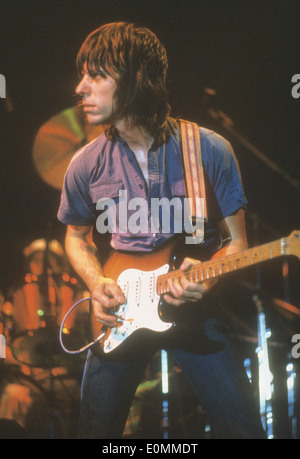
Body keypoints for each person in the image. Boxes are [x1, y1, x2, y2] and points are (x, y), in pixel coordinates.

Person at [57, 22, 265, 439]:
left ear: (136, 79)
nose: (80, 87)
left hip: (193, 313)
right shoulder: (84, 163)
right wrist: (96, 281)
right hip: (120, 315)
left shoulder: (207, 148)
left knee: (243, 429)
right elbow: (76, 236)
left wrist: (208, 279)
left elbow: (237, 244)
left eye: (96, 75)